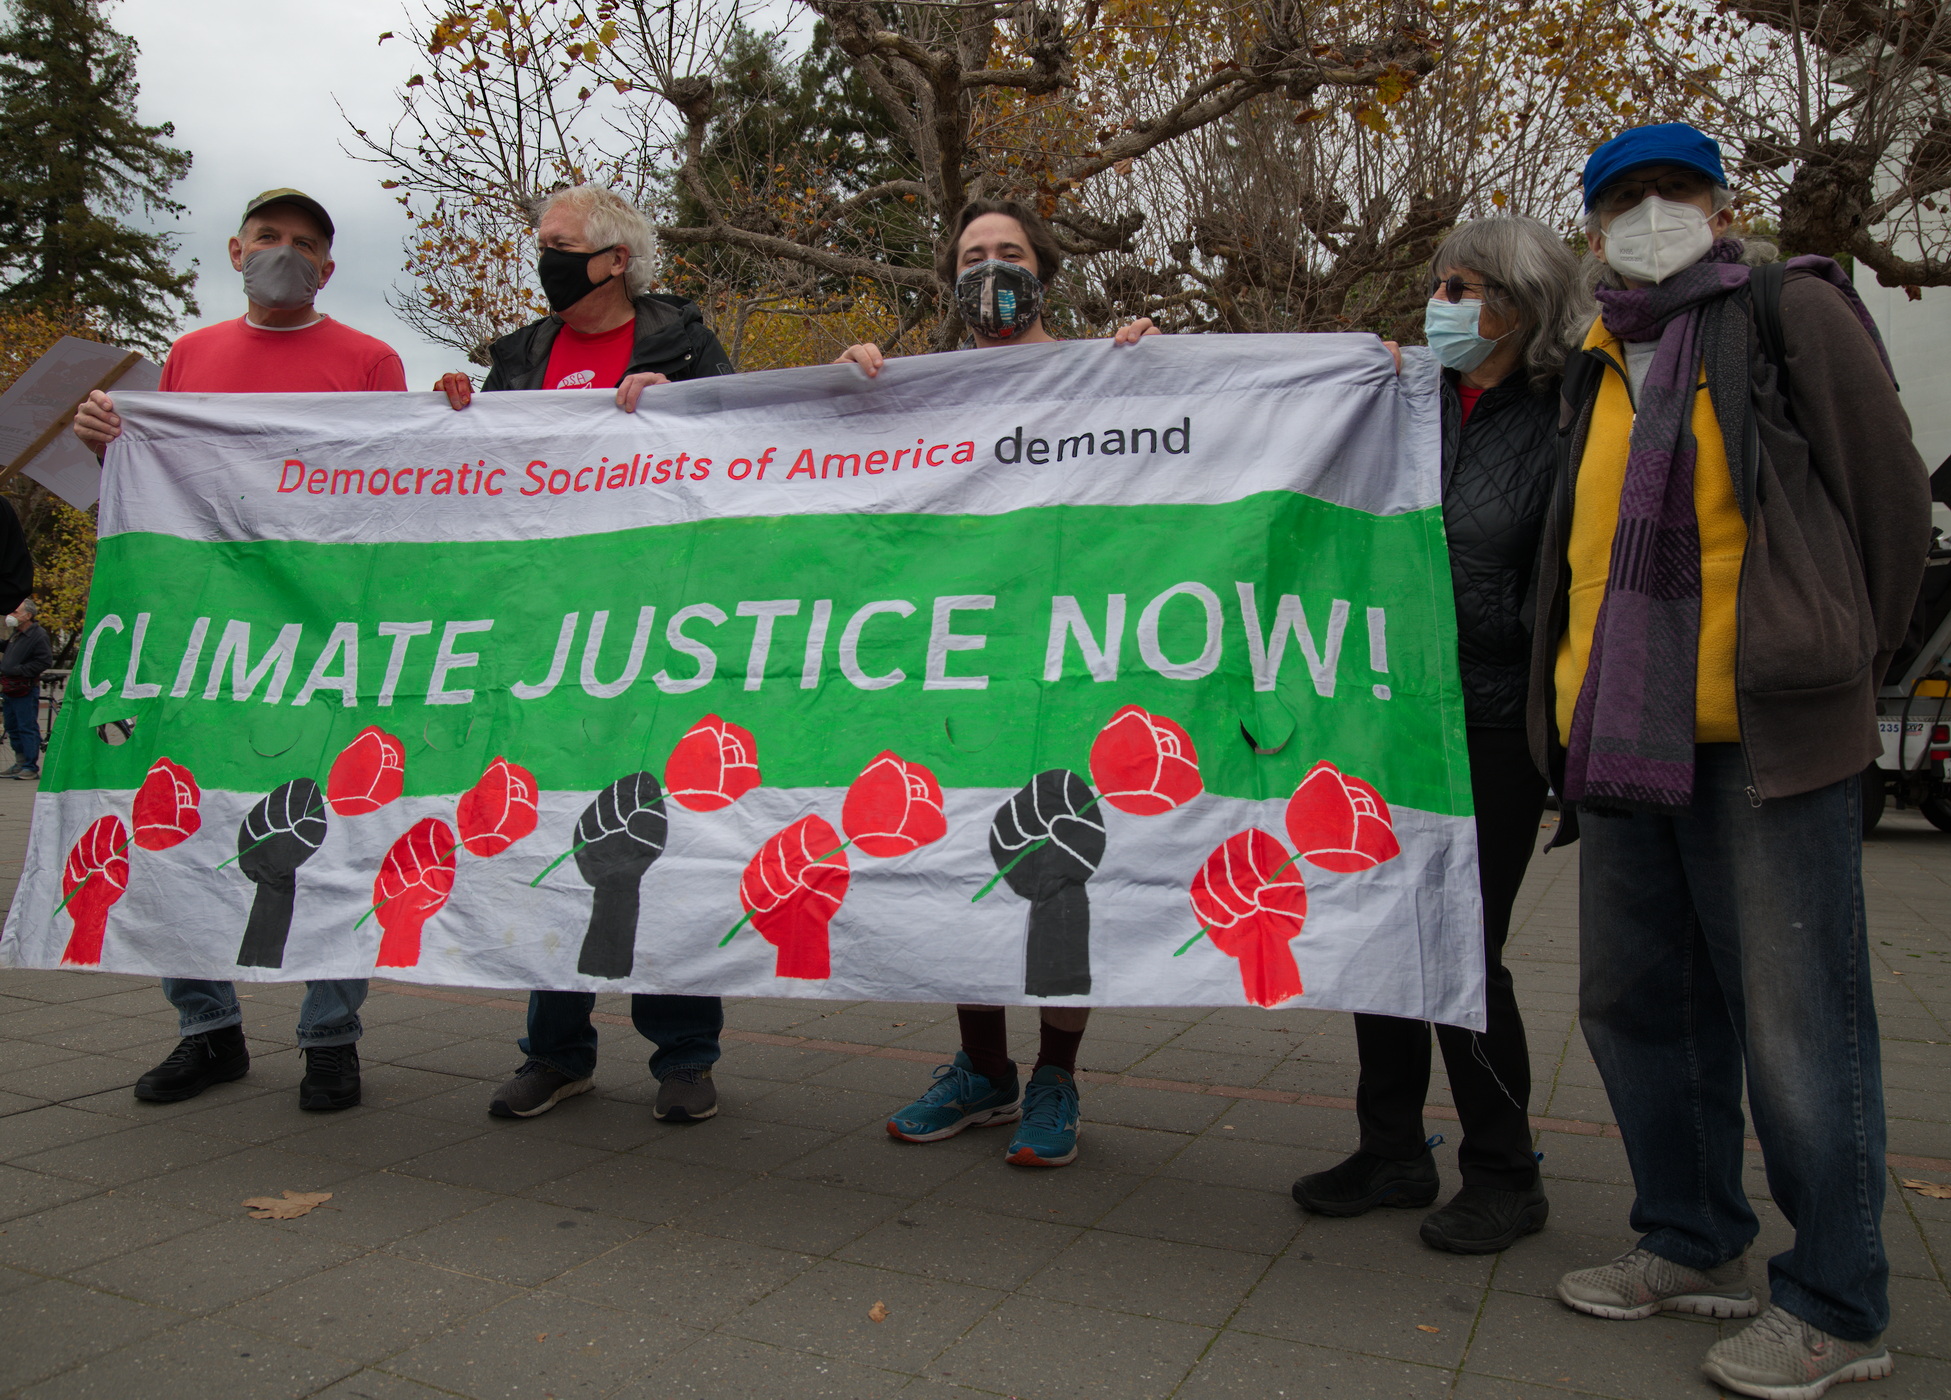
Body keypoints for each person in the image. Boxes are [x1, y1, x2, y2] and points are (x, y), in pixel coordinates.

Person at [1533, 124, 1929, 1399]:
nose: (1651, 212)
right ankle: (1690, 1232)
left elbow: (1887, 504)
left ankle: (1835, 1301)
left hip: (1767, 736)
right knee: (1636, 1004)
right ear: (1593, 229)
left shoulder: (1789, 311)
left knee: (1799, 1023)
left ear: (1717, 205)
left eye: (1675, 190)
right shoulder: (1596, 356)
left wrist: (1837, 659)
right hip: (1621, 739)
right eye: (1625, 198)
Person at [73, 187, 408, 1113]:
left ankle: (330, 1038)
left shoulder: (369, 360)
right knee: (179, 815)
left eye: (304, 243)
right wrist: (108, 444)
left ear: (328, 269)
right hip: (202, 632)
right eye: (268, 236)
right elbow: (163, 483)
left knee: (330, 829)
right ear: (235, 250)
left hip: (324, 634)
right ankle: (206, 1029)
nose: (284, 253)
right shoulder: (189, 356)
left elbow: (400, 491)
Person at [1292, 216, 1589, 1253]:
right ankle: (1390, 1149)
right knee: (1379, 928)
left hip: (1494, 718)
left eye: (1461, 289)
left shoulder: (1567, 415)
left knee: (1463, 944)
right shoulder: (1405, 398)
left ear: (1520, 303)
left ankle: (1504, 1169)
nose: (1440, 304)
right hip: (1389, 708)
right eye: (1439, 285)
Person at [838, 198, 1154, 1168]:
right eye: (971, 255)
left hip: (1069, 657)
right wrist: (847, 385)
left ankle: (1056, 1073)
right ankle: (983, 1067)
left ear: (1042, 270)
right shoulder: (921, 389)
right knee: (957, 851)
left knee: (1060, 859)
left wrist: (1155, 364)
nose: (989, 269)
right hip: (958, 665)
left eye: (1008, 251)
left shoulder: (1104, 370)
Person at [436, 184, 734, 1125]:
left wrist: (687, 409)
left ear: (614, 260)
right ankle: (555, 1052)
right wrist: (453, 413)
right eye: (543, 245)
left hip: (657, 633)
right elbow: (478, 486)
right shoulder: (520, 358)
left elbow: (744, 454)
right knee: (548, 829)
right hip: (545, 639)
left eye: (560, 245)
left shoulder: (682, 343)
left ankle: (684, 1054)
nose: (545, 261)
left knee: (658, 834)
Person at [1, 600, 52, 780]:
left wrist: (19, 670)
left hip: (24, 689)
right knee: (12, 726)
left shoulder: (38, 635)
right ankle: (20, 763)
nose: (11, 616)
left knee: (26, 727)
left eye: (15, 612)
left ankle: (30, 766)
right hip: (10, 688)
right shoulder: (18, 633)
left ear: (28, 615)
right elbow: (9, 649)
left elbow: (44, 661)